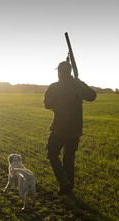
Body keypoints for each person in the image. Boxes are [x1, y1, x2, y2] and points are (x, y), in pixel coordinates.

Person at [44, 61, 96, 195]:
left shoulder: (54, 86)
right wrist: (79, 82)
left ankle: (64, 181)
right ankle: (68, 186)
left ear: (60, 72)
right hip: (75, 128)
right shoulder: (77, 85)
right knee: (69, 157)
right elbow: (92, 95)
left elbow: (47, 105)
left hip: (59, 127)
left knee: (52, 153)